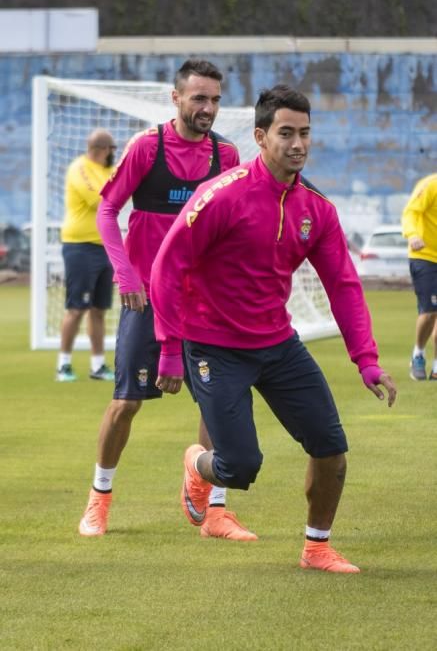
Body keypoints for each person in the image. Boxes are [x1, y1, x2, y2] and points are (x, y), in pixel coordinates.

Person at [150, 84, 397, 574]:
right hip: (213, 346)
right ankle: (197, 465)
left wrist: (365, 360)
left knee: (332, 450)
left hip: (277, 344)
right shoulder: (222, 195)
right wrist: (169, 348)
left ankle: (317, 547)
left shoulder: (317, 210)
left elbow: (343, 285)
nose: (298, 143)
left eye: (305, 133)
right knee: (239, 467)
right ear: (261, 137)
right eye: (286, 133)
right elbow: (166, 266)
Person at [78, 59, 257, 541]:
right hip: (147, 300)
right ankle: (99, 498)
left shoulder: (227, 156)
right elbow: (108, 211)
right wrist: (126, 274)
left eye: (215, 100)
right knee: (126, 403)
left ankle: (215, 508)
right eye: (199, 98)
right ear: (175, 98)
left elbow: (235, 223)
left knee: (220, 400)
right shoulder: (147, 148)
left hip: (204, 301)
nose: (208, 108)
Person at [56, 129, 116, 382]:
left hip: (105, 247)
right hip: (80, 246)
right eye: (112, 149)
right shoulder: (79, 168)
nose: (114, 153)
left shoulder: (107, 172)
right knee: (76, 308)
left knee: (99, 309)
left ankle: (98, 365)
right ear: (101, 148)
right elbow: (99, 199)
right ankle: (64, 365)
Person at [401, 172, 437, 381]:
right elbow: (411, 212)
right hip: (425, 256)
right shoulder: (430, 185)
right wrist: (413, 234)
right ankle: (418, 354)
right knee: (430, 311)